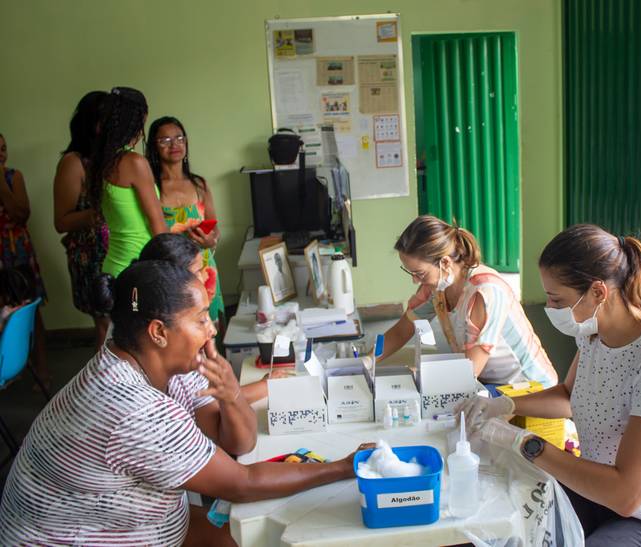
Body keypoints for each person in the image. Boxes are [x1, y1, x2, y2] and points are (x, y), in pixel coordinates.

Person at [0, 259, 369, 545]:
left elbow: (236, 445)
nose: (211, 329)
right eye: (200, 319)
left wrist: (231, 393)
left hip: (138, 523)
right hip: (71, 538)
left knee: (253, 534)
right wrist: (342, 467)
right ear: (158, 332)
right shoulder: (136, 408)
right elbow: (243, 481)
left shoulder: (124, 356)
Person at [458, 224, 641, 546]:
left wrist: (524, 442)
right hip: (597, 496)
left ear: (598, 292)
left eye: (557, 300)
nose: (551, 309)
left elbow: (627, 494)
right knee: (504, 518)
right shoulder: (593, 335)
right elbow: (568, 396)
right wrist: (504, 404)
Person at [379, 215, 558, 387]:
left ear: (445, 263)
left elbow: (470, 369)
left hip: (526, 386)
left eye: (420, 274)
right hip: (486, 381)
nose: (415, 281)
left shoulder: (486, 291)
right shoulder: (436, 285)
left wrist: (422, 375)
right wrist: (366, 361)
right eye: (410, 273)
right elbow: (401, 331)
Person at [139, 233, 268, 403]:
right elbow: (210, 402)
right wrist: (266, 385)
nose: (205, 276)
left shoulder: (162, 315)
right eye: (197, 272)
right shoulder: (177, 337)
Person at [145, 116, 224, 324]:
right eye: (165, 140)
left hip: (205, 266)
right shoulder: (150, 187)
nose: (174, 145)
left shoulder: (199, 184)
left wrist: (212, 240)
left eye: (179, 138)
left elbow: (214, 226)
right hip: (172, 271)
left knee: (211, 328)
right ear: (154, 147)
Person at [87, 87, 167, 278]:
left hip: (114, 267)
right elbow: (158, 226)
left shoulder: (99, 163)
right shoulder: (134, 162)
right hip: (141, 268)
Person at [53, 90, 111, 348]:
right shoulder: (73, 163)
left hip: (115, 251)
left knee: (123, 320)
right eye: (105, 120)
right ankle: (106, 386)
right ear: (92, 124)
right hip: (90, 256)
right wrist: (101, 214)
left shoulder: (111, 159)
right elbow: (61, 222)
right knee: (105, 324)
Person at [0, 133, 48, 383]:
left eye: (4, 149)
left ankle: (42, 370)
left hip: (16, 250)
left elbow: (21, 214)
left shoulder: (13, 177)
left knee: (30, 309)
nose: (1, 153)